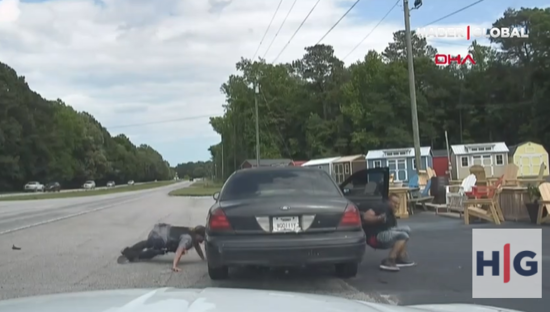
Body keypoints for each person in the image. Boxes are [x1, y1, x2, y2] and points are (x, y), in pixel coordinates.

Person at [120, 223, 206, 272]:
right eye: (202, 238)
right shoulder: (188, 238)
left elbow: (197, 247)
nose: (203, 241)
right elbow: (179, 251)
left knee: (146, 244)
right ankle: (129, 254)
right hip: (159, 238)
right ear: (198, 235)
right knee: (154, 251)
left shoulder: (190, 231)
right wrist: (174, 266)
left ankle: (128, 251)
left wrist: (203, 258)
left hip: (159, 231)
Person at [362, 193, 415, 271]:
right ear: (388, 201)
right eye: (394, 203)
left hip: (384, 233)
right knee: (403, 235)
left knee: (407, 229)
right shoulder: (381, 207)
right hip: (374, 237)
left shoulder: (391, 214)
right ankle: (389, 260)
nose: (396, 205)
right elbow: (365, 217)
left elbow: (392, 229)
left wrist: (403, 249)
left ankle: (399, 258)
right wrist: (379, 218)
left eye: (398, 204)